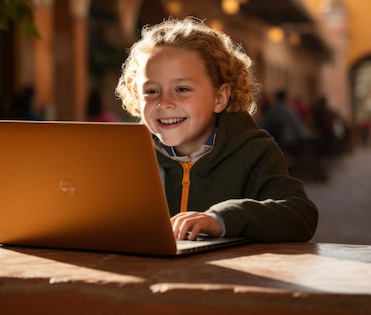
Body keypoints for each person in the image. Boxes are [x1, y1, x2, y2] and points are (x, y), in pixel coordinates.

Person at [115, 17, 318, 243]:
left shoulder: (255, 152)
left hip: (228, 277)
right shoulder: (130, 157)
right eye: (151, 91)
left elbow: (300, 214)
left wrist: (220, 219)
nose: (165, 103)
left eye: (182, 89)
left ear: (219, 97)